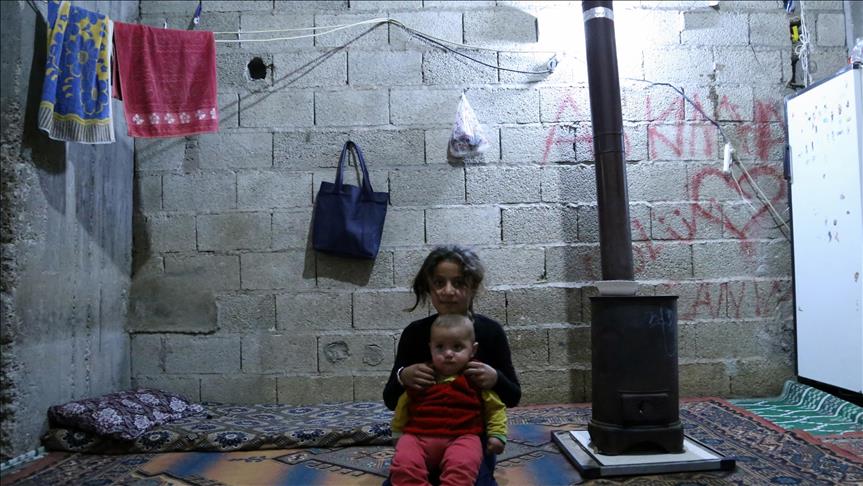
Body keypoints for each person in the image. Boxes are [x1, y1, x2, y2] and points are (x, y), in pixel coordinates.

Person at [383, 245, 521, 485]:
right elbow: (390, 400)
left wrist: (496, 378)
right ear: (428, 287)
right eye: (439, 283)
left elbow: (513, 397)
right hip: (421, 437)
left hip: (470, 439)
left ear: (473, 286)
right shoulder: (415, 333)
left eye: (458, 283)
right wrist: (403, 376)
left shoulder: (490, 332)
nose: (448, 291)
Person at [389, 314, 507, 485]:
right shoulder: (421, 375)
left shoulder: (475, 377)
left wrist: (497, 434)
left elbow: (495, 408)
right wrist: (397, 432)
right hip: (418, 436)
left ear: (473, 350)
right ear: (430, 348)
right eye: (440, 347)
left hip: (462, 436)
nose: (448, 354)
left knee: (463, 466)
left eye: (457, 347)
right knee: (403, 464)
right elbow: (403, 405)